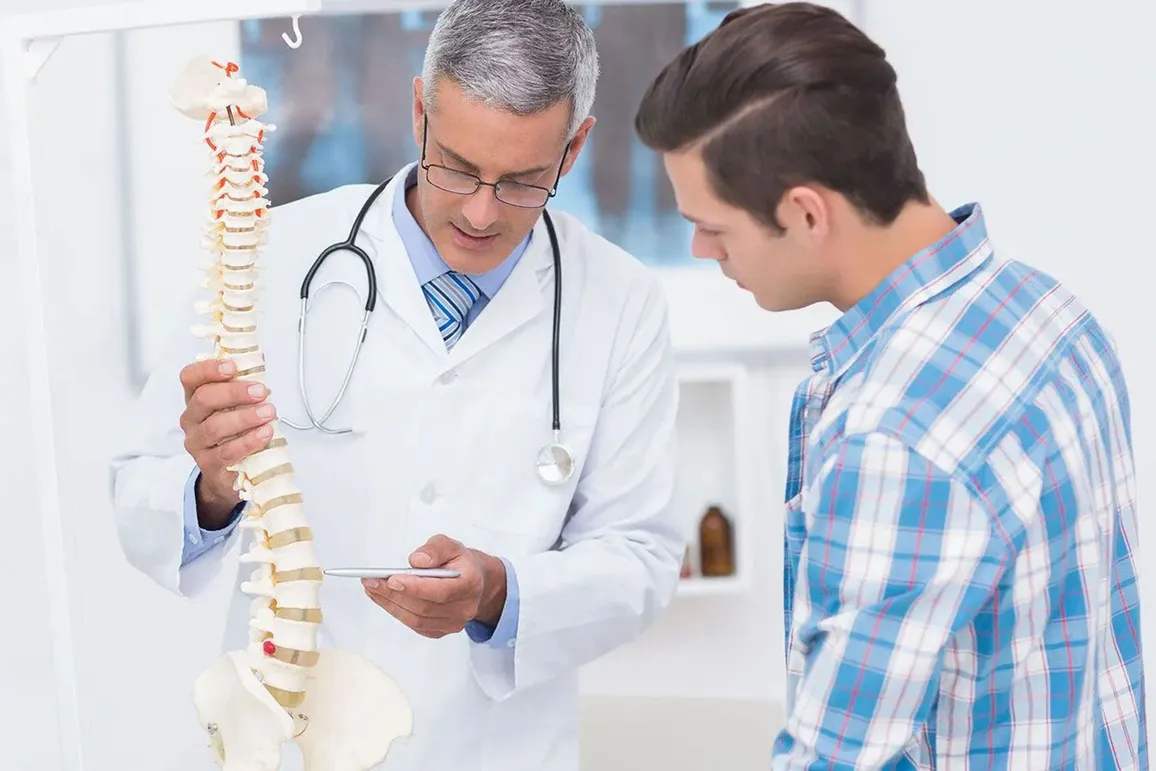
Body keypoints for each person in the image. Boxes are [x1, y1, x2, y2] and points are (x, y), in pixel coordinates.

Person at [110, 1, 684, 769]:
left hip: (498, 749)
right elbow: (140, 491)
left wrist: (498, 593)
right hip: (294, 740)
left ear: (574, 147)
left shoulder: (620, 299)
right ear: (420, 111)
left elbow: (640, 556)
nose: (480, 211)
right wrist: (212, 485)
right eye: (457, 166)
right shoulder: (278, 253)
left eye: (521, 181)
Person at [634, 3, 1145, 768]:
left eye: (715, 226)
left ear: (806, 213)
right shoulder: (1049, 313)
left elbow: (836, 756)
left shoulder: (896, 436)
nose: (703, 249)